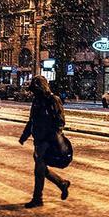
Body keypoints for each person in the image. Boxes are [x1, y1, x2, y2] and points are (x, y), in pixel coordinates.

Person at [18, 75, 70, 208]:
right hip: (39, 140)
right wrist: (24, 136)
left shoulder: (53, 100)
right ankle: (62, 183)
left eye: (35, 89)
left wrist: (52, 136)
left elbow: (60, 121)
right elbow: (32, 121)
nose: (34, 93)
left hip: (47, 141)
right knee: (42, 169)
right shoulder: (37, 101)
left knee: (39, 169)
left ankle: (37, 198)